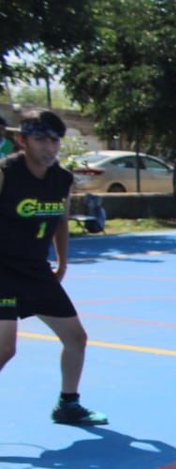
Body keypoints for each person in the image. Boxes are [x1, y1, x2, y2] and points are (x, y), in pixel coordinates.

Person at [0, 109, 108, 425]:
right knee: (6, 349)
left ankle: (68, 404)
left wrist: (63, 262)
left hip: (35, 270)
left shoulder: (62, 179)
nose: (49, 147)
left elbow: (60, 221)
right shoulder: (6, 173)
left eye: (55, 140)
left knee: (76, 338)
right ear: (22, 140)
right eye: (40, 139)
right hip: (2, 270)